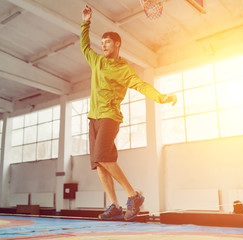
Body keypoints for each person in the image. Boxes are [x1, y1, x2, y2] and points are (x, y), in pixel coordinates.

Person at [81, 5, 177, 221]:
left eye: (108, 42)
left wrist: (161, 97)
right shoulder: (97, 61)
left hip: (109, 117)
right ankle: (114, 205)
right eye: (102, 42)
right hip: (93, 118)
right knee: (99, 164)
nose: (103, 45)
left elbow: (141, 85)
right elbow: (85, 47)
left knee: (102, 156)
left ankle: (133, 196)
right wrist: (86, 23)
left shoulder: (123, 69)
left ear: (117, 44)